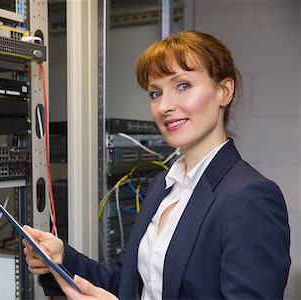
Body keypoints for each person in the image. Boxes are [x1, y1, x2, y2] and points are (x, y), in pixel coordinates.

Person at [22, 30, 291, 299]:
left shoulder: (248, 197)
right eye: (155, 93)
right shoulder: (164, 185)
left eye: (183, 85)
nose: (164, 106)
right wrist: (59, 259)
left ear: (224, 91)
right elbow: (127, 282)